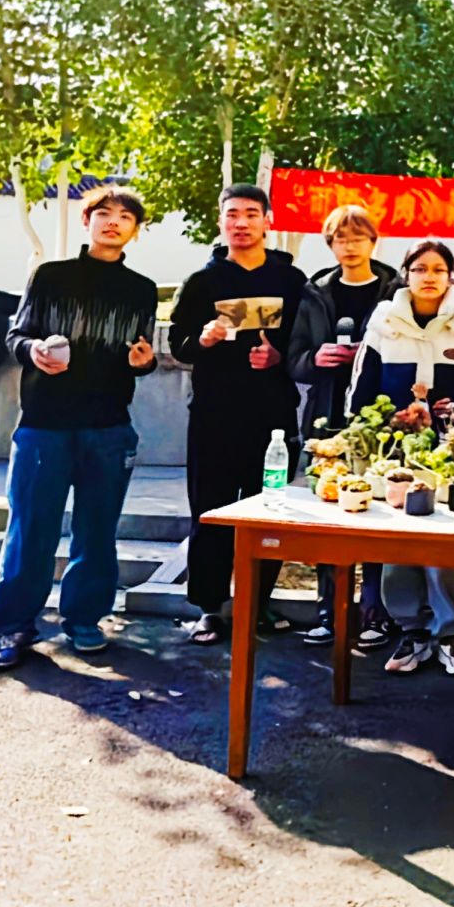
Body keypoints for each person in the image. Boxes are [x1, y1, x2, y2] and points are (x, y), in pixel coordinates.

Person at [0, 186, 160, 670]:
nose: (113, 222)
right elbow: (16, 335)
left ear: (135, 230)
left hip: (109, 425)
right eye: (104, 213)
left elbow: (142, 354)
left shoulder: (141, 289)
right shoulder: (51, 276)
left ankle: (84, 620)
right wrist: (33, 350)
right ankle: (14, 626)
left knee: (97, 531)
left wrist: (144, 362)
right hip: (45, 424)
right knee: (30, 528)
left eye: (125, 216)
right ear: (88, 221)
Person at [169, 184, 314, 646]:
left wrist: (279, 359)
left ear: (268, 221)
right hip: (213, 416)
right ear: (221, 221)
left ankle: (257, 601)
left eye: (251, 213)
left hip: (273, 418)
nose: (242, 222)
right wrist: (203, 340)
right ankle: (209, 607)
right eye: (232, 214)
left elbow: (305, 346)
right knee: (209, 511)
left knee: (268, 512)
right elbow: (178, 346)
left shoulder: (292, 281)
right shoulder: (202, 282)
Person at [346, 239, 454, 677]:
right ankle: (411, 628)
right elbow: (361, 388)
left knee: (450, 540)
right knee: (401, 539)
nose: (429, 277)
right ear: (405, 275)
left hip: (452, 453)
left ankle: (452, 632)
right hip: (397, 453)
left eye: (438, 269)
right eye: (419, 269)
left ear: (450, 276)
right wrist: (389, 417)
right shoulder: (384, 321)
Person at [286, 203, 400, 649]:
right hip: (326, 413)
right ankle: (329, 610)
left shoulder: (395, 291)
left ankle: (375, 610)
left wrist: (370, 360)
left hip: (379, 418)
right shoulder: (315, 292)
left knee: (378, 514)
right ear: (330, 244)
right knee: (328, 513)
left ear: (374, 242)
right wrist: (316, 358)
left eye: (358, 238)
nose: (349, 246)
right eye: (340, 239)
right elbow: (294, 358)